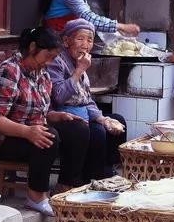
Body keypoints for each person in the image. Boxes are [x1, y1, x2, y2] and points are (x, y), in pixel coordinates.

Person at [0, 27, 89, 216]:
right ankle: (36, 196)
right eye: (48, 56)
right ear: (32, 47)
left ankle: (65, 186)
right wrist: (27, 132)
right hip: (4, 139)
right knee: (49, 137)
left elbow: (41, 111)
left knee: (77, 128)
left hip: (31, 130)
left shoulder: (42, 74)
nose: (49, 62)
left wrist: (56, 116)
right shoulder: (9, 71)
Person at [47, 19, 127, 181]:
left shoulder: (80, 61)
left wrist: (103, 119)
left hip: (82, 113)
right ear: (66, 41)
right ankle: (91, 177)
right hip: (60, 115)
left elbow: (87, 100)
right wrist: (79, 70)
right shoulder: (57, 62)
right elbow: (58, 95)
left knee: (117, 121)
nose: (85, 44)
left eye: (89, 40)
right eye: (80, 39)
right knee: (97, 132)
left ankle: (107, 170)